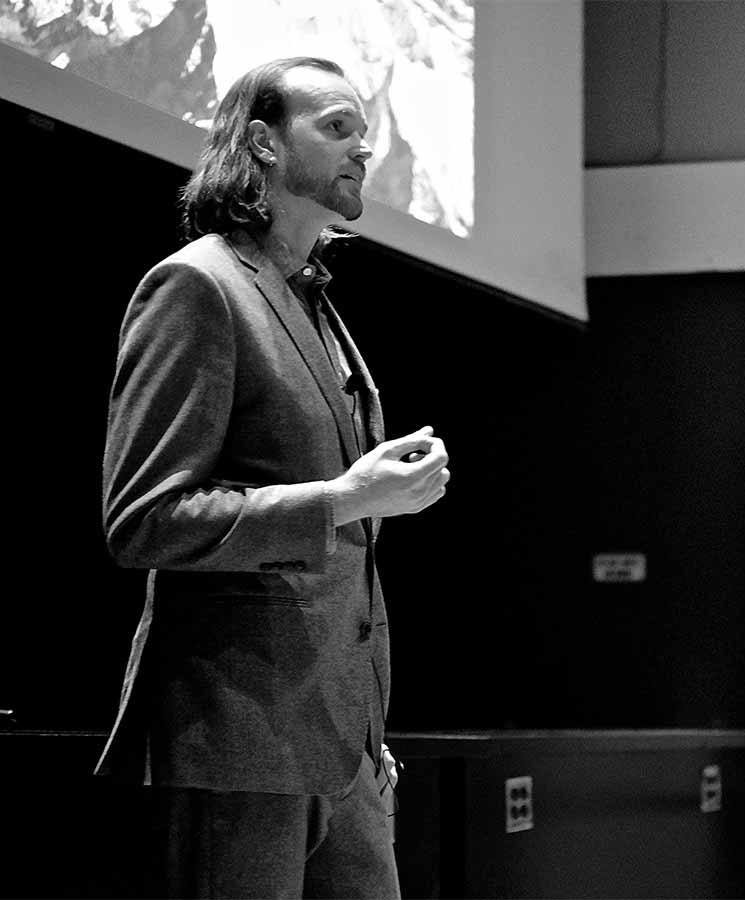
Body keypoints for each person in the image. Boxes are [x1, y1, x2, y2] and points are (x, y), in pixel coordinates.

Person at [96, 56, 450, 898]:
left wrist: (366, 725)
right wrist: (340, 500)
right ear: (261, 140)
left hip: (344, 752)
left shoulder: (314, 301)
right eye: (336, 127)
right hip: (236, 746)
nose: (363, 148)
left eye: (365, 131)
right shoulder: (198, 286)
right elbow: (146, 517)